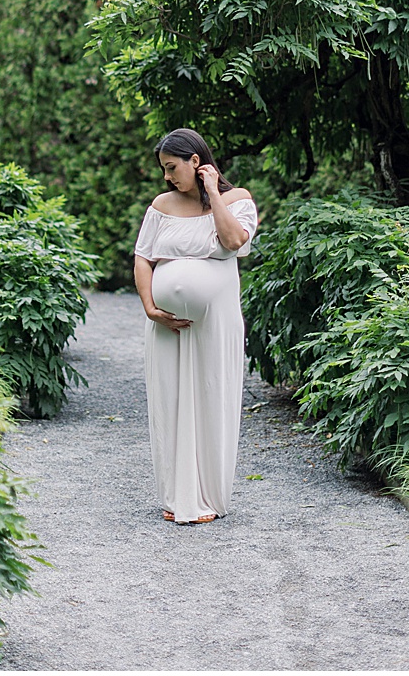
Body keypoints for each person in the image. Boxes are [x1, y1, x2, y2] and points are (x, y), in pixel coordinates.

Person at [132, 129, 259, 525]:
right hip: (167, 327)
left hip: (215, 324)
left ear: (196, 162)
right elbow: (142, 258)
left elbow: (234, 240)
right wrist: (151, 308)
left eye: (173, 168)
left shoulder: (238, 201)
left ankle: (207, 496)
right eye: (164, 170)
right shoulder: (161, 205)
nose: (168, 177)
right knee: (168, 402)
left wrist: (213, 192)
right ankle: (175, 495)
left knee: (211, 397)